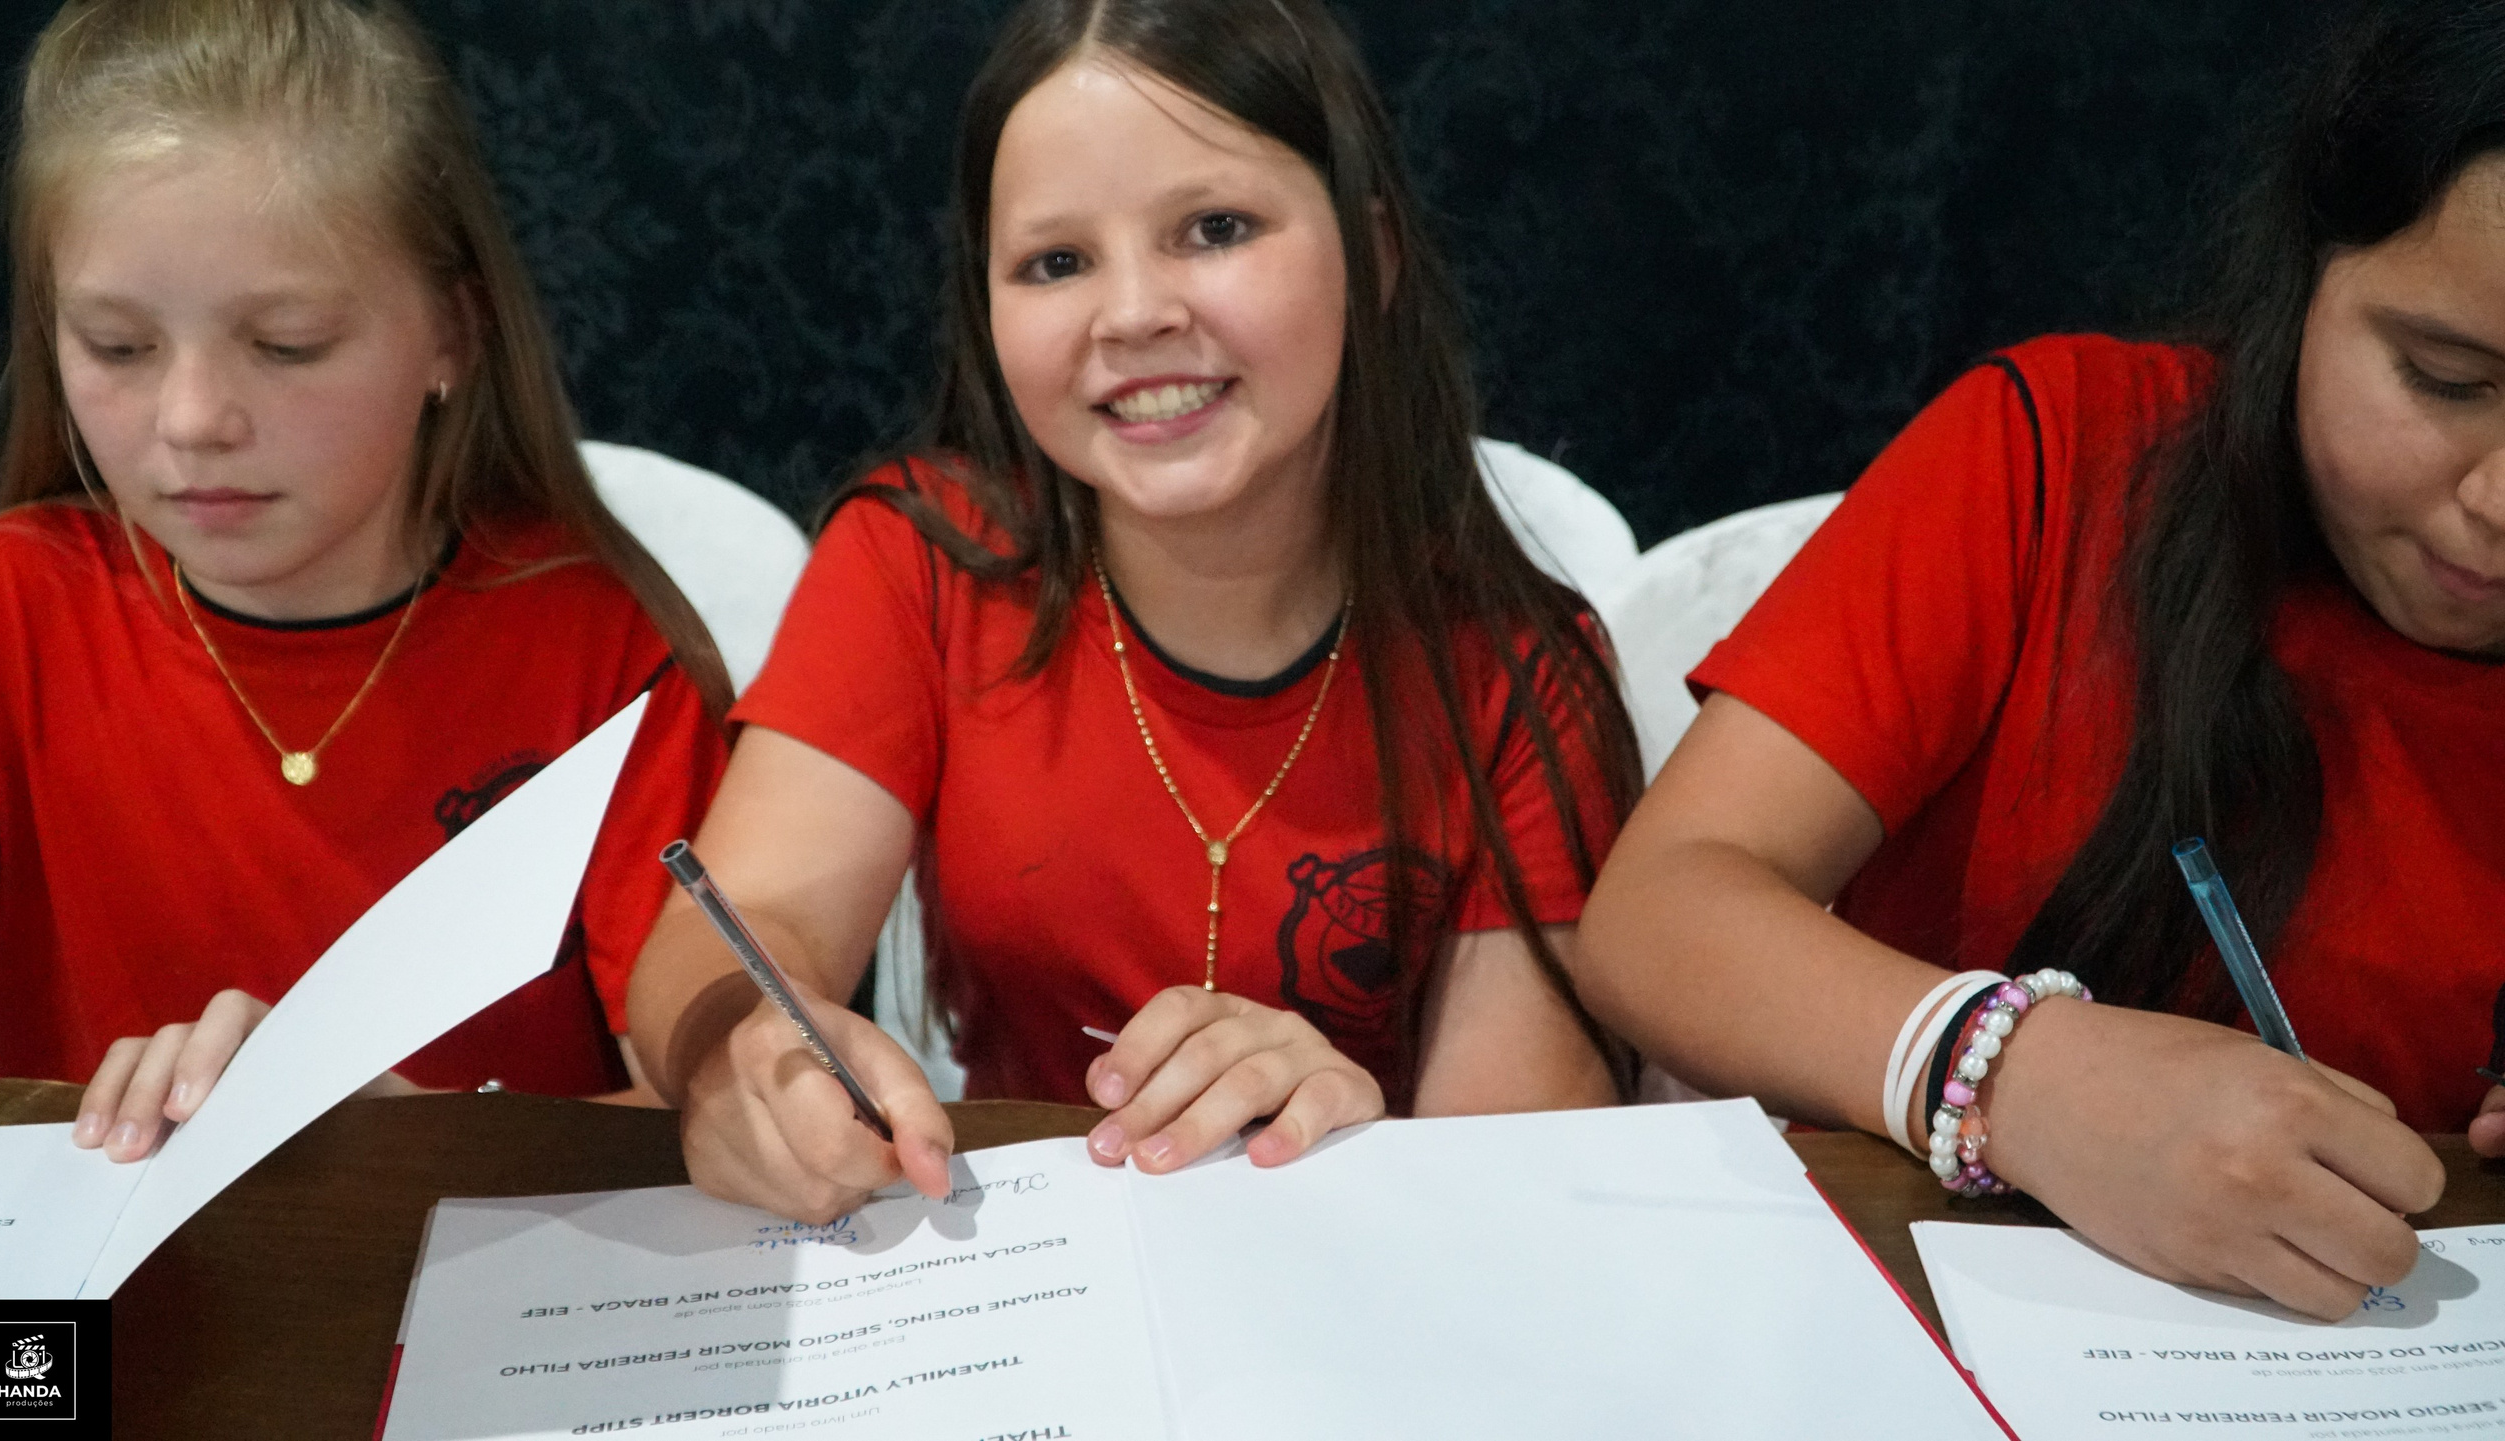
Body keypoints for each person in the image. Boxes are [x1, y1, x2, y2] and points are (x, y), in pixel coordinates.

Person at [627, 0, 1643, 1223]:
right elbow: (744, 923)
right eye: (1056, 262)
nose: (1133, 314)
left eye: (1214, 230)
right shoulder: (919, 559)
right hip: (1002, 1257)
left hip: (1353, 1269)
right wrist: (743, 1051)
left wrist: (1353, 1121)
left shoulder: (1519, 669)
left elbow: (1517, 1172)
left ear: (1370, 257)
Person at [1575, 0, 2505, 1323]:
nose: (2496, 503)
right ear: (2304, 276)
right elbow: (1659, 914)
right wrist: (2021, 1079)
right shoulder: (2063, 459)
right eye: (2443, 378)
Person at [0, 0, 733, 1161]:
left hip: (491, 1257)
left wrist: (399, 1146)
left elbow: (713, 1117)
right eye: (117, 346)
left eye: (288, 342)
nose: (193, 420)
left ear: (453, 333)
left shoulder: (599, 649)